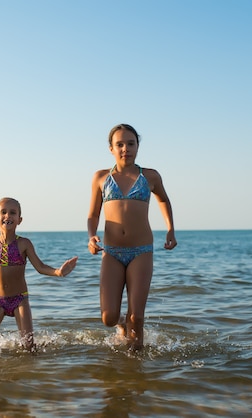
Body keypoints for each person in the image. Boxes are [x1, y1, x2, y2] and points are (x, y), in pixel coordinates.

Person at [87, 123, 177, 350]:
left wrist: (170, 229)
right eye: (120, 144)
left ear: (137, 146)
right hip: (112, 252)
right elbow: (93, 214)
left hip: (141, 252)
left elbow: (164, 200)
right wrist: (91, 236)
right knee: (108, 318)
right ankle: (120, 326)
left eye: (131, 143)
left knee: (136, 317)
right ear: (111, 149)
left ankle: (135, 370)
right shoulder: (100, 178)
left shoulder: (150, 176)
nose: (125, 148)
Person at [0, 197, 78, 352]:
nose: (7, 216)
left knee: (29, 346)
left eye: (12, 213)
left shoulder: (24, 243)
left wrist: (58, 272)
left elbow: (40, 267)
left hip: (20, 300)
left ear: (19, 219)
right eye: (3, 212)